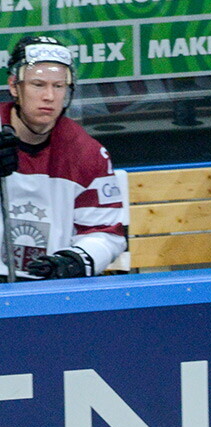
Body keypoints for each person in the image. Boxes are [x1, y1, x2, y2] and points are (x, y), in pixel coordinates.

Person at [0, 36, 126, 280]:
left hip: (51, 286)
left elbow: (105, 232)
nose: (49, 96)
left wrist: (74, 261)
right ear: (14, 86)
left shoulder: (87, 153)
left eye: (58, 86)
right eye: (38, 84)